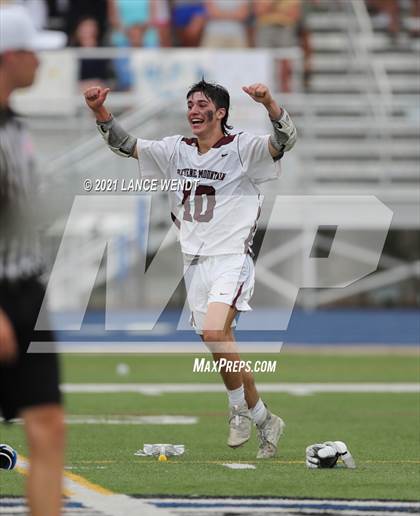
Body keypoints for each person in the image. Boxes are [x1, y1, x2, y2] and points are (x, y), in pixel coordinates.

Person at [84, 78, 296, 459]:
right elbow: (126, 144)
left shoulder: (243, 148)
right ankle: (265, 419)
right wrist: (100, 112)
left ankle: (237, 412)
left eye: (201, 104)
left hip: (231, 258)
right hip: (194, 263)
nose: (193, 111)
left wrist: (269, 103)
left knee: (216, 332)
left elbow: (284, 141)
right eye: (190, 104)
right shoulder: (175, 150)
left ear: (221, 112)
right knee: (222, 344)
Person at [0, 4, 66, 516]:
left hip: (27, 289)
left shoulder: (14, 124)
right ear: (9, 56)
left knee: (47, 425)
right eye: (32, 50)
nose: (40, 60)